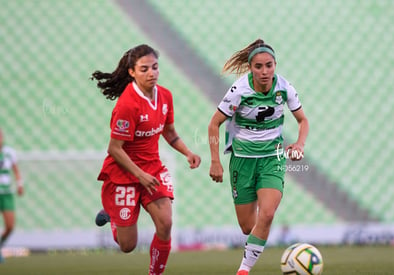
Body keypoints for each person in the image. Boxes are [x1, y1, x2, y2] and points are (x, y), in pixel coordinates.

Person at [91, 44, 201, 275]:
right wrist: (139, 175)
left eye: (155, 67)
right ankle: (113, 215)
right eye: (144, 69)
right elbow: (114, 149)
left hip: (152, 170)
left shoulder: (165, 96)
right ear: (132, 72)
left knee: (166, 223)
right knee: (127, 246)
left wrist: (188, 152)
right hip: (124, 174)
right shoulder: (127, 104)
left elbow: (169, 132)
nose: (151, 73)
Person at [208, 39, 309, 275]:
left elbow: (303, 120)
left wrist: (299, 144)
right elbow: (214, 124)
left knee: (268, 213)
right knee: (247, 227)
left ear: (275, 65)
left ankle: (243, 271)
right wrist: (215, 161)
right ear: (250, 67)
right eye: (259, 66)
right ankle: (257, 244)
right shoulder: (239, 91)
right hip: (242, 161)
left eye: (269, 65)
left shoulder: (284, 88)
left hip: (272, 159)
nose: (265, 71)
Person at [0, 128, 24, 263]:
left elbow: (16, 170)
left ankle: (0, 245)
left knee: (10, 226)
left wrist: (19, 184)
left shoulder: (9, 153)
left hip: (6, 194)